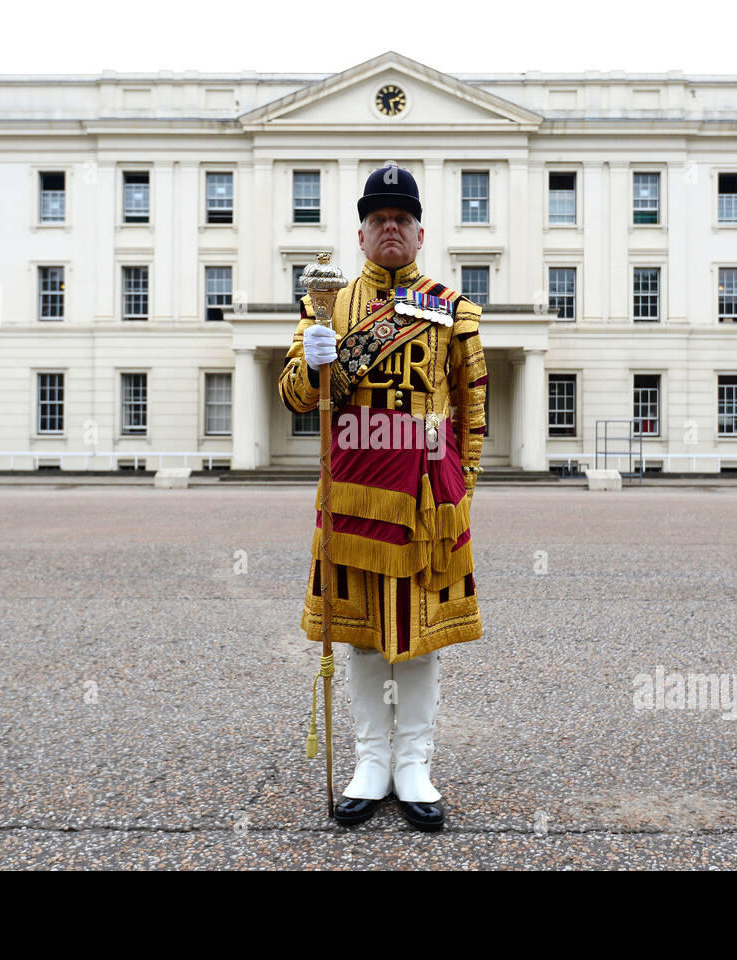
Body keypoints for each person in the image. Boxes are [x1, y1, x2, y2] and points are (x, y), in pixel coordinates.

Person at [278, 164, 487, 831]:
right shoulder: (327, 307)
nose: (389, 227)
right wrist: (312, 363)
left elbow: (472, 409)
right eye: (378, 219)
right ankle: (371, 761)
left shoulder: (453, 308)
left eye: (401, 218)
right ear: (361, 234)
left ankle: (414, 764)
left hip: (428, 495)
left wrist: (464, 489)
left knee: (420, 637)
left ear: (420, 232)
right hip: (355, 493)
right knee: (363, 636)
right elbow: (294, 398)